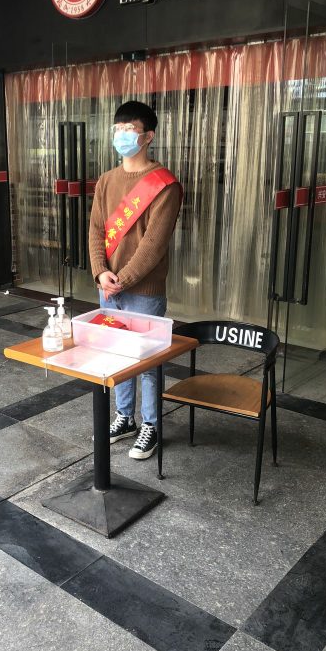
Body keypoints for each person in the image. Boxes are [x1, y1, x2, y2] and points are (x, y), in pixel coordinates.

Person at [89, 101, 182, 460]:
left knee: (148, 361)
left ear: (148, 136)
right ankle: (124, 417)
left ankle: (151, 425)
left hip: (143, 291)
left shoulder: (164, 185)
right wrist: (100, 271)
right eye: (118, 129)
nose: (121, 135)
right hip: (109, 287)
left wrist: (121, 279)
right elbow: (96, 231)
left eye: (129, 129)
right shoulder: (106, 181)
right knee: (116, 355)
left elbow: (153, 245)